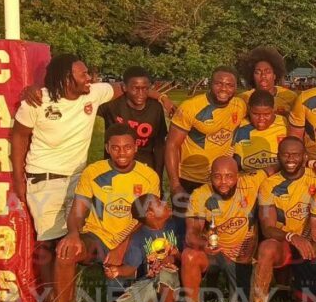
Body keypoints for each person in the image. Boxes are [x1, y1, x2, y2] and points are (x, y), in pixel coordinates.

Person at [11, 54, 170, 302]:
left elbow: (129, 87)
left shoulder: (92, 93)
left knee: (80, 237)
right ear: (66, 79)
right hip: (45, 179)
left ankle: (83, 292)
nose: (90, 78)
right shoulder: (38, 101)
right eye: (83, 74)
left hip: (80, 178)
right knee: (50, 244)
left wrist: (159, 97)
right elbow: (19, 136)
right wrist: (19, 179)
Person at [46, 124, 161, 302]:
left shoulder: (148, 176)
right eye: (115, 147)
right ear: (107, 147)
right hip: (97, 237)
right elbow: (78, 211)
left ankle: (149, 299)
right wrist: (72, 234)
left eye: (127, 147)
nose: (122, 153)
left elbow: (147, 219)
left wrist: (121, 247)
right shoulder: (94, 171)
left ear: (136, 147)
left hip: (131, 239)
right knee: (66, 251)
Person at [176, 157, 274, 302]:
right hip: (215, 252)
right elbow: (191, 235)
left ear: (238, 176)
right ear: (210, 176)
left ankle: (237, 295)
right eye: (217, 177)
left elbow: (282, 163)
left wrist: (313, 163)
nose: (223, 182)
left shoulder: (251, 181)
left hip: (242, 256)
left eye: (229, 176)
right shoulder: (200, 194)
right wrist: (204, 244)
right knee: (189, 255)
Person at [254, 137, 316, 302]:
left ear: (304, 156)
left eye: (296, 154)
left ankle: (315, 295)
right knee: (267, 248)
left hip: (311, 245)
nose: (290, 158)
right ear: (278, 156)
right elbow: (268, 228)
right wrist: (292, 237)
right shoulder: (269, 184)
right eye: (285, 154)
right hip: (283, 241)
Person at [166, 67, 247, 212]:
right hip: (190, 178)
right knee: (184, 227)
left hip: (219, 180)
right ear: (210, 83)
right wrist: (175, 184)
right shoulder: (190, 107)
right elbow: (172, 145)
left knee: (215, 227)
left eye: (230, 85)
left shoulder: (239, 105)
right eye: (219, 83)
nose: (224, 89)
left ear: (236, 87)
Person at [109, 193, 180, 302]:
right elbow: (131, 267)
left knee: (167, 271)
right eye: (159, 203)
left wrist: (175, 255)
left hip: (175, 280)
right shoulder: (138, 236)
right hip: (150, 282)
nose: (165, 203)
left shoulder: (175, 226)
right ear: (150, 214)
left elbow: (186, 257)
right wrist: (118, 271)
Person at [97, 66, 169, 177]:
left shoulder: (155, 108)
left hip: (144, 167)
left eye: (145, 88)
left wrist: (157, 175)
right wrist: (161, 96)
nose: (141, 93)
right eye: (136, 88)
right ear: (124, 87)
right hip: (115, 166)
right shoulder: (111, 105)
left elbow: (159, 145)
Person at [233, 91, 289, 172]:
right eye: (255, 114)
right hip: (247, 179)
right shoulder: (239, 126)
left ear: (273, 109)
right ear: (249, 109)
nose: (261, 119)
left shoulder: (285, 123)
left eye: (266, 114)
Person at [236, 46, 298, 116]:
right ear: (252, 76)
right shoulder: (243, 98)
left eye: (267, 72)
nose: (263, 76)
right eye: (258, 72)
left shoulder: (290, 97)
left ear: (274, 75)